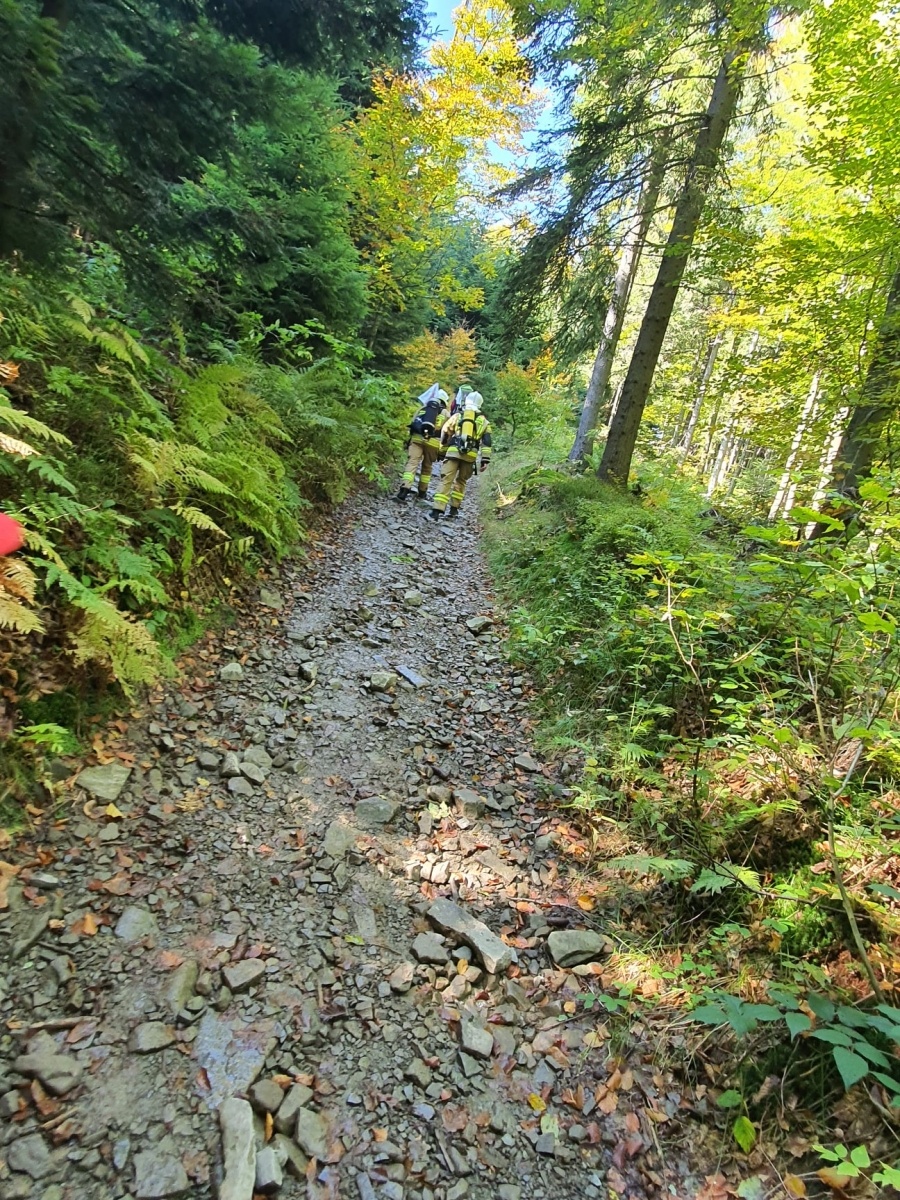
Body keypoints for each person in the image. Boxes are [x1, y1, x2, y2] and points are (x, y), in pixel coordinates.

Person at [427, 391, 492, 521]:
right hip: (470, 456)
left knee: (446, 480)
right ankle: (453, 510)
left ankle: (436, 511)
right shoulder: (484, 421)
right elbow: (487, 442)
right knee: (461, 481)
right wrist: (485, 460)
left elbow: (445, 432)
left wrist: (442, 449)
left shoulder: (457, 416)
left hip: (453, 452)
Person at [395, 384, 450, 503]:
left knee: (412, 463)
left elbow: (413, 422)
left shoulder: (423, 408)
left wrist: (407, 440)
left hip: (416, 438)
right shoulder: (445, 412)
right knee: (427, 467)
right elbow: (448, 431)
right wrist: (443, 450)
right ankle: (422, 491)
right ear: (444, 401)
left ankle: (404, 489)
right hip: (433, 442)